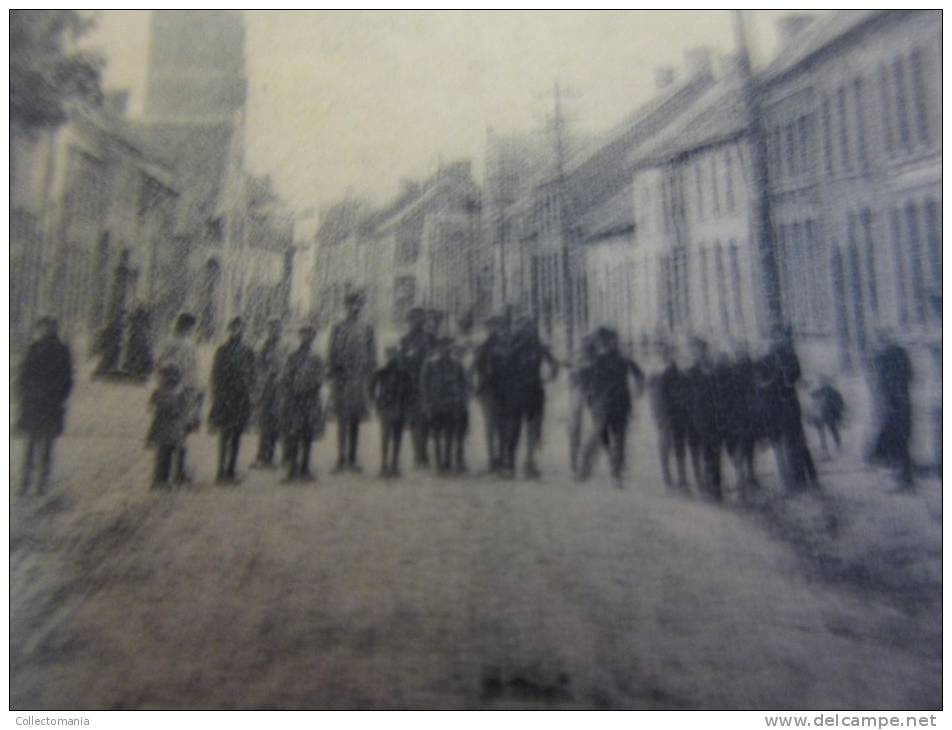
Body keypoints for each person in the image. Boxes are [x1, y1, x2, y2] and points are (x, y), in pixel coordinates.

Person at [577, 327, 644, 486]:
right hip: (603, 405)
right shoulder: (597, 360)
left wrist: (639, 389)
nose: (611, 343)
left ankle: (616, 474)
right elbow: (585, 380)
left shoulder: (623, 359)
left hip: (621, 404)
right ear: (603, 342)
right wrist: (590, 397)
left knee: (619, 438)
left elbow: (639, 374)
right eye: (608, 341)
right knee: (599, 435)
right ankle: (586, 466)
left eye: (613, 340)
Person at [16, 316, 74, 495]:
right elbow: (23, 375)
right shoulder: (37, 349)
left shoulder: (60, 351)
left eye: (48, 327)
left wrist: (58, 397)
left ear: (54, 329)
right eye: (44, 327)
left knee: (42, 446)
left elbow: (67, 380)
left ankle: (38, 483)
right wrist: (22, 394)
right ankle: (26, 483)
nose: (45, 330)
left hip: (46, 405)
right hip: (38, 404)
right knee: (33, 446)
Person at [502, 316, 559, 479]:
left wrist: (549, 377)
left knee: (533, 431)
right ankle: (510, 465)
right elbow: (504, 367)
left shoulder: (539, 347)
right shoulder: (513, 347)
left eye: (531, 328)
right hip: (516, 394)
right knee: (514, 430)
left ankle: (530, 464)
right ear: (519, 330)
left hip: (534, 392)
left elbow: (554, 362)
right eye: (525, 328)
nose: (529, 331)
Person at [328, 291, 377, 473]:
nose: (354, 308)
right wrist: (333, 374)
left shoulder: (367, 327)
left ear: (362, 307)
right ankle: (341, 458)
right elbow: (331, 352)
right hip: (341, 379)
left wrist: (370, 379)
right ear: (346, 306)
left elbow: (372, 355)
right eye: (351, 304)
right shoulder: (338, 327)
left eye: (358, 304)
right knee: (342, 419)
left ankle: (353, 458)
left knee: (355, 419)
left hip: (359, 380)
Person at [765, 332, 819, 492]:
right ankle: (794, 480)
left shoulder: (791, 357)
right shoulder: (768, 359)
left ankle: (807, 477)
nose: (777, 340)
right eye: (774, 337)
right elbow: (766, 381)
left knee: (798, 441)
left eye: (780, 337)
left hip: (791, 405)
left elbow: (794, 377)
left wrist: (784, 374)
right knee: (787, 443)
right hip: (777, 407)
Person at [156, 312, 202, 483]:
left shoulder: (179, 344)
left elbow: (191, 370)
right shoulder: (178, 345)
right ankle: (169, 474)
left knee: (175, 433)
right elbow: (164, 366)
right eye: (191, 327)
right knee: (175, 434)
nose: (191, 330)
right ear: (186, 327)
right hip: (178, 393)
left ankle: (171, 473)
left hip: (177, 392)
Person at [209, 317, 256, 484]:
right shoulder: (222, 350)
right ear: (230, 329)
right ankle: (220, 470)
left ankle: (231, 469)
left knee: (237, 435)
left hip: (241, 398)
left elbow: (253, 375)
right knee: (224, 434)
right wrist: (216, 395)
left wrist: (251, 395)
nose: (238, 331)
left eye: (241, 328)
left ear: (244, 330)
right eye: (235, 328)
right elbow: (215, 375)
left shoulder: (248, 351)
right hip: (225, 397)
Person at [868, 331, 914, 489]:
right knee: (900, 442)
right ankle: (901, 477)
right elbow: (910, 376)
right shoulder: (900, 355)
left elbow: (881, 385)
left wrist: (886, 405)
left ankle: (902, 480)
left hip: (892, 408)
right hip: (901, 406)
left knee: (896, 443)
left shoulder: (883, 358)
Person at [280, 325, 325, 482]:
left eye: (309, 336)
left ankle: (305, 468)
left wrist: (311, 388)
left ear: (313, 338)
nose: (306, 338)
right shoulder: (292, 356)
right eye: (303, 335)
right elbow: (286, 376)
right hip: (295, 400)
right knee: (294, 434)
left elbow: (320, 378)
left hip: (310, 400)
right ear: (300, 337)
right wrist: (293, 390)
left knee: (307, 434)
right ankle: (293, 468)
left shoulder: (317, 357)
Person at [421, 337, 469, 474]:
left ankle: (447, 462)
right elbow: (424, 386)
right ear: (438, 347)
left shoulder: (456, 364)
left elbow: (463, 384)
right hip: (435, 404)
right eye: (443, 346)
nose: (446, 349)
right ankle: (438, 464)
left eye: (448, 346)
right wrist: (427, 404)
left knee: (449, 434)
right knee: (436, 436)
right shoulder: (430, 364)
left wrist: (461, 400)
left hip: (451, 404)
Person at [650, 339, 690, 491]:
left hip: (678, 412)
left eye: (669, 350)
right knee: (665, 443)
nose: (667, 353)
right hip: (664, 413)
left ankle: (682, 477)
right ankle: (667, 477)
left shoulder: (677, 367)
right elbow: (654, 396)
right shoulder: (655, 369)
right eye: (664, 350)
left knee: (679, 444)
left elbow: (683, 389)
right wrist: (657, 414)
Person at [684, 337, 722, 499]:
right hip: (695, 420)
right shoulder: (689, 373)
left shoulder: (714, 371)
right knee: (701, 453)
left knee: (714, 453)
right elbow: (685, 400)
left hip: (714, 418)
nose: (698, 353)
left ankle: (715, 487)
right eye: (694, 351)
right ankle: (705, 485)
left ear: (705, 351)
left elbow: (721, 395)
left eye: (700, 350)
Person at [399, 306, 436, 468]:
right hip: (411, 384)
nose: (416, 322)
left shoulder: (431, 338)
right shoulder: (405, 340)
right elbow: (402, 363)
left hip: (428, 384)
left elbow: (435, 357)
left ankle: (424, 454)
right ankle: (417, 455)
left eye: (419, 318)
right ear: (409, 321)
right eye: (413, 319)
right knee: (414, 420)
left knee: (427, 420)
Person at [472, 314, 510, 473]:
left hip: (504, 390)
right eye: (492, 326)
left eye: (499, 325)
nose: (496, 329)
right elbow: (474, 365)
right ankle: (491, 460)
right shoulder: (483, 345)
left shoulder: (506, 344)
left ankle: (501, 457)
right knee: (490, 426)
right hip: (488, 391)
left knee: (503, 426)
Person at [371, 346, 414, 478]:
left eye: (394, 354)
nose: (392, 356)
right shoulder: (381, 371)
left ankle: (395, 465)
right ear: (385, 355)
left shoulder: (404, 372)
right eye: (389, 354)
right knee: (385, 437)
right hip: (386, 408)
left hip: (400, 407)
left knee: (397, 437)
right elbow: (371, 387)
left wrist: (407, 406)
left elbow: (410, 391)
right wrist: (376, 402)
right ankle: (384, 465)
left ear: (397, 355)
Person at [146, 364, 189, 489]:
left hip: (162, 429)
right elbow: (181, 411)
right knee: (166, 455)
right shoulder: (178, 394)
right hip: (171, 430)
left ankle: (160, 479)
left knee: (162, 455)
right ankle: (161, 480)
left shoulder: (159, 392)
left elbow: (151, 407)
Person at [251, 319, 285, 469]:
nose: (275, 331)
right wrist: (264, 377)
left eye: (277, 329)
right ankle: (262, 455)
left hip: (279, 389)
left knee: (276, 423)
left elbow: (286, 365)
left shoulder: (284, 346)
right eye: (272, 328)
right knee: (265, 423)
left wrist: (280, 375)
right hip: (266, 389)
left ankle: (271, 456)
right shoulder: (262, 345)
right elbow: (257, 366)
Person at [809, 376, 846, 460]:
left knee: (831, 430)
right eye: (821, 382)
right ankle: (827, 447)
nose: (822, 383)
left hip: (828, 414)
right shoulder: (821, 391)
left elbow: (839, 402)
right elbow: (813, 396)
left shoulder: (831, 391)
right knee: (825, 431)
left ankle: (835, 446)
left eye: (823, 382)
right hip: (822, 415)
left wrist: (839, 411)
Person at [122, 303, 154, 379]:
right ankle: (134, 368)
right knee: (136, 352)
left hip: (138, 339)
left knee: (137, 352)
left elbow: (129, 323)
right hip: (138, 339)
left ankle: (135, 368)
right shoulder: (138, 322)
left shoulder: (137, 322)